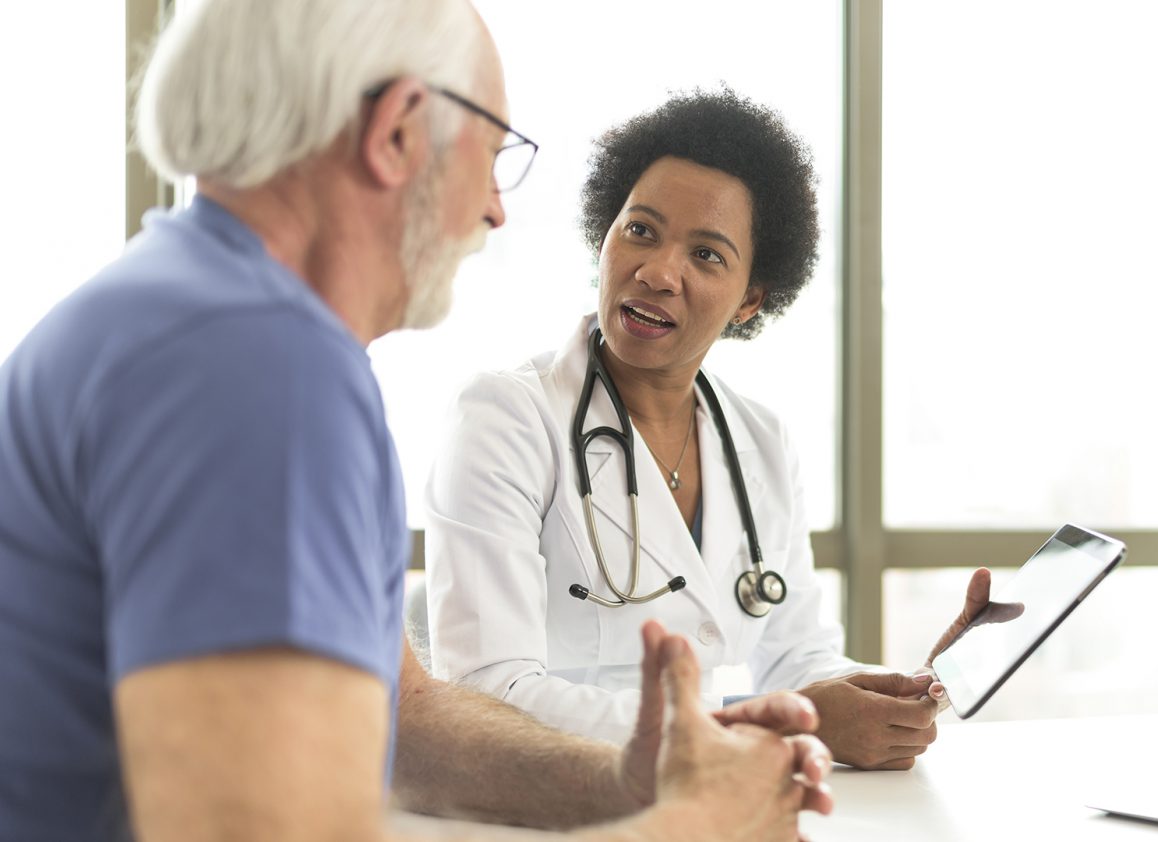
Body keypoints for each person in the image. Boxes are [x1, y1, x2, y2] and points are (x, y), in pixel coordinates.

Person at [0, 3, 835, 840]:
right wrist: (696, 825)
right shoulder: (250, 363)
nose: (496, 211)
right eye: (493, 152)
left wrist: (634, 782)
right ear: (398, 130)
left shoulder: (218, 317)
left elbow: (411, 725)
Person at [424, 88, 993, 771]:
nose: (658, 271)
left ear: (751, 299)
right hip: (553, 812)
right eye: (640, 229)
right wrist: (773, 730)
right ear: (604, 234)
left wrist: (900, 694)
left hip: (706, 807)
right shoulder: (507, 419)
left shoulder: (761, 441)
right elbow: (491, 691)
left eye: (707, 255)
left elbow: (798, 658)